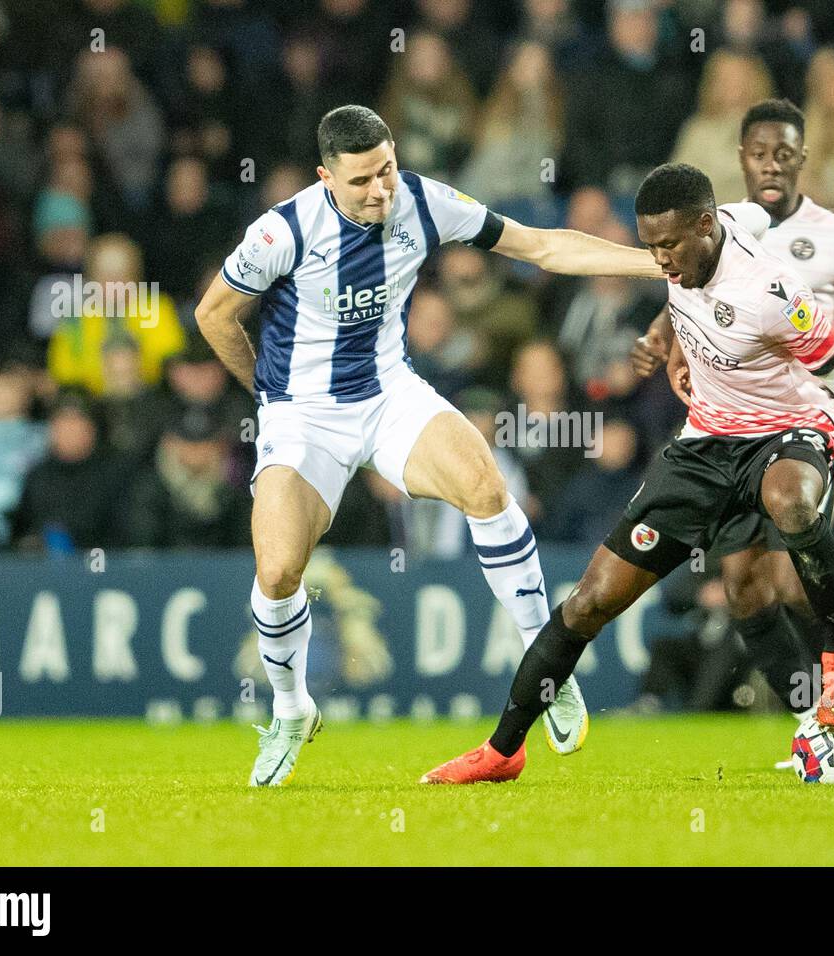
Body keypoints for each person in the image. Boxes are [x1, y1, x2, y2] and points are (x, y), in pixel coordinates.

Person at [421, 163, 834, 784]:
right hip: (706, 442)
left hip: (793, 430)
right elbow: (710, 263)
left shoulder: (772, 291)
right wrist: (666, 337)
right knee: (592, 602)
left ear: (704, 226)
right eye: (651, 246)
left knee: (791, 510)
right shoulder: (709, 235)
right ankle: (503, 750)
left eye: (669, 245)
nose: (660, 261)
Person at [193, 105, 664, 786]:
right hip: (303, 416)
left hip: (387, 394)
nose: (380, 190)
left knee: (486, 487)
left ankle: (547, 665)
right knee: (278, 572)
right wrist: (266, 397)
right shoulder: (282, 231)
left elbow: (540, 246)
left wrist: (655, 263)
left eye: (385, 169)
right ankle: (293, 709)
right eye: (361, 181)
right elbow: (214, 314)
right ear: (327, 177)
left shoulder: (422, 199)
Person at [629, 99, 834, 743]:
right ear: (740, 157)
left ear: (803, 157)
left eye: (784, 153)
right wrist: (666, 339)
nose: (771, 163)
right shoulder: (725, 226)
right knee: (743, 589)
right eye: (758, 152)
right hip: (733, 425)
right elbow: (690, 296)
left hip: (807, 421)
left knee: (794, 580)